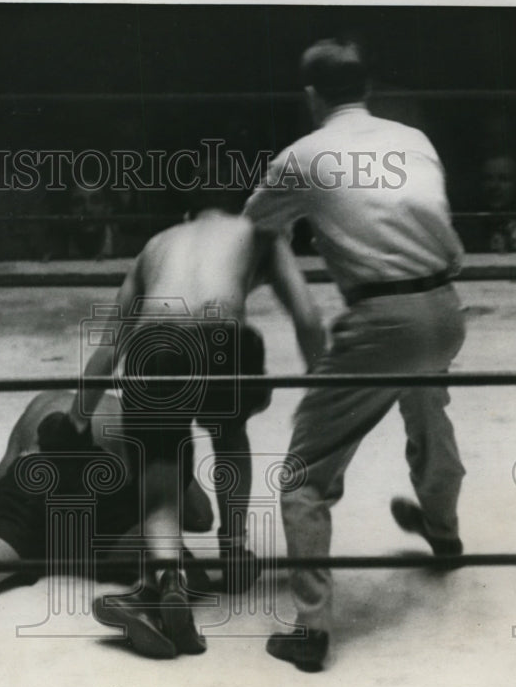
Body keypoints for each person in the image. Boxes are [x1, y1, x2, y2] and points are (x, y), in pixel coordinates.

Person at [242, 38, 468, 672]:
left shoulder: (302, 154)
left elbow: (254, 233)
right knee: (427, 408)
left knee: (304, 475)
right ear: (365, 88)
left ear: (311, 96)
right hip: (446, 308)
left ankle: (311, 630)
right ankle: (444, 532)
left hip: (379, 320)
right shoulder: (413, 138)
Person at [52, 204, 325, 657]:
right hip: (223, 338)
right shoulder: (260, 232)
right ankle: (233, 549)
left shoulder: (156, 245)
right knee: (229, 432)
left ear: (187, 215)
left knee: (159, 467)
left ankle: (167, 578)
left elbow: (109, 345)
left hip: (152, 340)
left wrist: (75, 420)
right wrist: (323, 389)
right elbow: (309, 317)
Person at [0, 390, 214, 657]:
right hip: (101, 486)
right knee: (174, 558)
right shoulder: (132, 414)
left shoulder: (41, 404)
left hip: (32, 481)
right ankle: (150, 602)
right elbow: (199, 516)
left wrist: (22, 537)